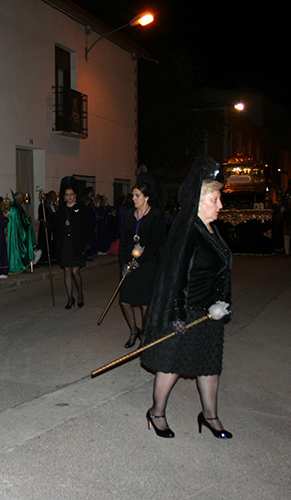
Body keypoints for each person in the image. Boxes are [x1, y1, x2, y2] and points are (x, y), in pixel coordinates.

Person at [141, 156, 233, 440]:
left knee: (208, 366)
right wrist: (178, 315)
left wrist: (221, 303)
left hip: (210, 311)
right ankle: (156, 413)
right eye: (215, 199)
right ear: (199, 200)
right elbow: (176, 276)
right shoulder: (188, 230)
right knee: (171, 366)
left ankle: (210, 416)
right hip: (186, 311)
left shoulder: (211, 229)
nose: (220, 205)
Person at [119, 181, 165, 348]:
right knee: (124, 300)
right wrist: (125, 263)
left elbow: (154, 245)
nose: (133, 198)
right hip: (130, 263)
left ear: (147, 197)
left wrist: (138, 263)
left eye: (137, 195)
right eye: (133, 195)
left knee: (145, 303)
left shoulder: (156, 215)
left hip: (147, 264)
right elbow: (124, 241)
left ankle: (145, 335)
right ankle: (134, 331)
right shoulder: (130, 214)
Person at [53, 177, 91, 309]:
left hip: (77, 243)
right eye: (67, 195)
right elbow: (57, 224)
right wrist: (49, 225)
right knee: (66, 271)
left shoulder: (81, 208)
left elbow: (87, 226)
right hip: (65, 243)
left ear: (75, 195)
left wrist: (87, 242)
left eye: (71, 194)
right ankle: (70, 298)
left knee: (75, 271)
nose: (69, 197)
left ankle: (80, 293)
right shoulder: (62, 209)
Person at [7, 191, 37, 274]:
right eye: (22, 197)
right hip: (16, 234)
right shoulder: (14, 208)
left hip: (19, 232)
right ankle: (16, 266)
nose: (23, 199)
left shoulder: (18, 207)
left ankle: (22, 265)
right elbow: (19, 223)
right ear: (19, 198)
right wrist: (26, 223)